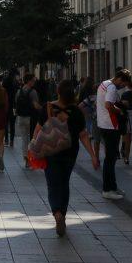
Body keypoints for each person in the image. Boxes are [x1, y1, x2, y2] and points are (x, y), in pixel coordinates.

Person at [42, 79, 100, 237]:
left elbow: (40, 128)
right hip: (70, 151)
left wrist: (33, 148)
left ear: (58, 92)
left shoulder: (49, 107)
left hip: (51, 151)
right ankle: (63, 213)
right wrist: (93, 156)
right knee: (64, 183)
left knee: (53, 184)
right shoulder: (76, 111)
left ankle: (57, 213)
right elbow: (83, 135)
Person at [96, 70, 129, 200]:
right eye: (123, 83)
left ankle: (113, 186)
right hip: (110, 125)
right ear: (120, 79)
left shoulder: (104, 83)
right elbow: (108, 105)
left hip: (103, 124)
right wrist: (119, 111)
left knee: (112, 157)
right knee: (110, 158)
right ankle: (107, 189)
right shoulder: (111, 88)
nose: (123, 86)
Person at [16, 74, 43, 166]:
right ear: (29, 81)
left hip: (20, 118)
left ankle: (26, 159)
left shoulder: (19, 91)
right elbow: (36, 106)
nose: (34, 82)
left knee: (24, 139)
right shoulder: (33, 92)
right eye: (33, 80)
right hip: (30, 118)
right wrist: (43, 109)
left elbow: (16, 103)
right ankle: (30, 159)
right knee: (32, 138)